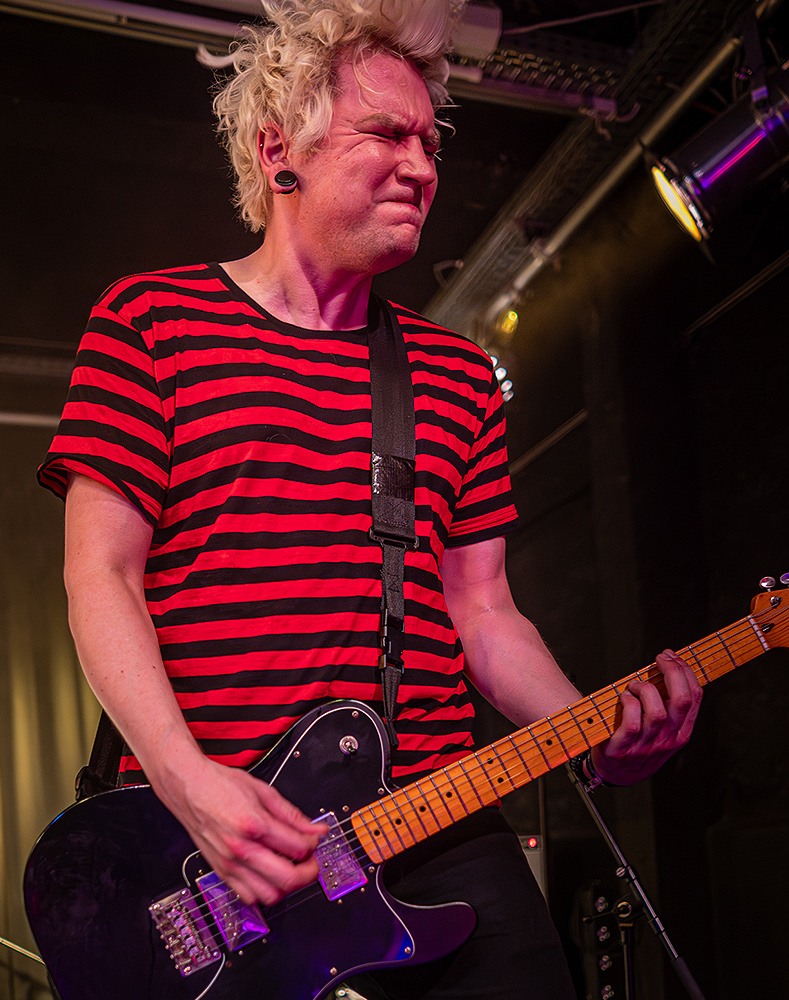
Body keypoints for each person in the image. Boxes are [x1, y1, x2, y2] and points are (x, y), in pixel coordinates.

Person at [38, 1, 702, 997]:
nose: (422, 166)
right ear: (278, 152)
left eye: (429, 142)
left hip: (430, 819)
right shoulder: (151, 322)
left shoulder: (456, 375)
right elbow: (100, 575)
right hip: (206, 842)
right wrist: (192, 784)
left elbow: (483, 611)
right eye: (386, 134)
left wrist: (591, 735)